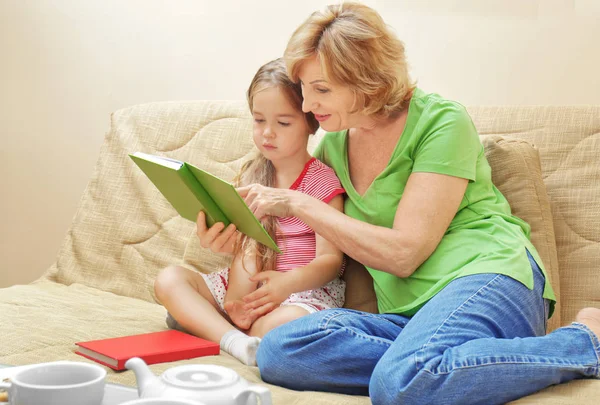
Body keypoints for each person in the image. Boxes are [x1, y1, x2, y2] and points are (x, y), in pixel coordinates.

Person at [198, 3, 600, 404]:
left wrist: (299, 203)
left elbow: (404, 253)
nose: (306, 106)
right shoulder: (334, 147)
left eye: (321, 89)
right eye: (304, 88)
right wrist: (236, 240)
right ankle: (434, 364)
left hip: (486, 278)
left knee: (399, 384)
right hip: (408, 318)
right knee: (280, 351)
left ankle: (584, 342)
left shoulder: (442, 122)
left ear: (367, 81)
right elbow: (306, 244)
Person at [154, 58, 346, 367]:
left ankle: (214, 329)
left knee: (274, 326)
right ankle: (235, 340)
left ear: (311, 122)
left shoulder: (322, 181)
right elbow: (246, 250)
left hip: (299, 293)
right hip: (246, 290)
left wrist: (287, 284)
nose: (267, 133)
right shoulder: (250, 177)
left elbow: (331, 262)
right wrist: (235, 301)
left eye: (283, 123)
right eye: (259, 120)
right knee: (169, 279)